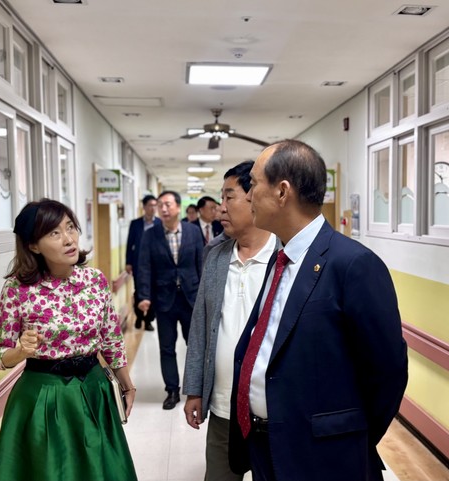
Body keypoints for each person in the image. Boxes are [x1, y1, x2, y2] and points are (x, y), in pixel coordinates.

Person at [228, 140, 408, 481]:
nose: (248, 195)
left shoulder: (353, 264)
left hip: (324, 458)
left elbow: (388, 371)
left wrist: (347, 437)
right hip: (265, 446)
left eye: (254, 183)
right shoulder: (281, 259)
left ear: (282, 192)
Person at [0, 199, 137, 481]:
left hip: (93, 389)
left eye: (70, 227)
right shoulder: (18, 289)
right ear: (34, 245)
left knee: (100, 470)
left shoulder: (94, 280)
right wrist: (20, 352)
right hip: (43, 396)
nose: (68, 239)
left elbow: (111, 340)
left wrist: (127, 384)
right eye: (54, 233)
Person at [183, 161, 278, 481]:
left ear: (255, 198)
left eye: (228, 197)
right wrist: (194, 390)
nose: (220, 208)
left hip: (272, 410)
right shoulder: (216, 257)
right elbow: (200, 328)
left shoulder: (286, 258)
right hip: (223, 407)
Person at [136, 190, 203, 409]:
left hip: (190, 298)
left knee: (194, 346)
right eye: (160, 205)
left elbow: (201, 264)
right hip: (164, 300)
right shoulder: (150, 234)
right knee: (167, 347)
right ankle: (172, 390)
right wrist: (144, 296)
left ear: (178, 207)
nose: (163, 209)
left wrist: (205, 295)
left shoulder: (193, 232)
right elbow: (144, 267)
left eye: (167, 204)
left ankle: (195, 388)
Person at [125, 194, 161, 331]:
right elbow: (130, 244)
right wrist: (128, 262)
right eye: (150, 205)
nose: (153, 208)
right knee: (139, 291)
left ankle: (149, 320)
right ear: (144, 207)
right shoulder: (136, 224)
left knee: (154, 291)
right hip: (138, 263)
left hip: (156, 264)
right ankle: (139, 316)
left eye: (155, 205)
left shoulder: (160, 223)